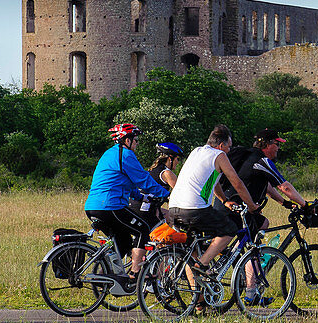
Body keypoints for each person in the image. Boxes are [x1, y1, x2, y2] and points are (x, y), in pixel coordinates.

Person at [213, 129, 310, 306]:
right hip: (236, 208)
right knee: (253, 246)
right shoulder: (262, 161)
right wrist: (305, 205)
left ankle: (238, 259)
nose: (278, 148)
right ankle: (251, 292)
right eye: (276, 144)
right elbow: (284, 186)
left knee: (261, 224)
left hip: (223, 203)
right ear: (266, 144)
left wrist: (284, 203)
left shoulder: (247, 157)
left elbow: (266, 185)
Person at [83, 123, 173, 287]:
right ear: (127, 140)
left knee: (123, 242)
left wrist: (142, 196)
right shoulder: (126, 155)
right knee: (143, 229)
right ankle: (135, 274)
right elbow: (143, 180)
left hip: (93, 206)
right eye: (136, 140)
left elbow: (126, 184)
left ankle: (105, 277)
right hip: (110, 206)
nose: (137, 143)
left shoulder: (110, 154)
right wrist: (167, 194)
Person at [167, 124, 258, 277]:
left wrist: (224, 200)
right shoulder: (219, 155)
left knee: (194, 253)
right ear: (221, 145)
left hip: (174, 208)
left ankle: (198, 298)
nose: (230, 150)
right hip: (194, 209)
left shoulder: (197, 151)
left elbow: (212, 181)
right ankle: (202, 264)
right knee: (229, 230)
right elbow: (237, 183)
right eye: (229, 147)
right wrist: (251, 206)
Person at [127, 142, 183, 228]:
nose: (178, 162)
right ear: (170, 158)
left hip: (136, 206)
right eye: (177, 159)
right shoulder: (167, 173)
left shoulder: (153, 170)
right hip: (145, 209)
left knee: (168, 216)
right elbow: (181, 193)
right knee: (170, 228)